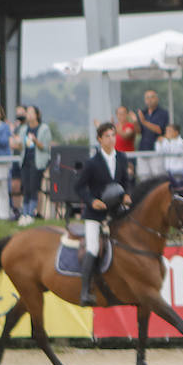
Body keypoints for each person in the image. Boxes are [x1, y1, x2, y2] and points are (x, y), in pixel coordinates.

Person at [73, 121, 132, 306]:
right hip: (96, 214)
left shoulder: (122, 157)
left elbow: (126, 181)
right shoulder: (92, 163)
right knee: (93, 247)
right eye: (107, 136)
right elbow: (79, 187)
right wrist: (92, 201)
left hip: (116, 211)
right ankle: (85, 291)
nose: (111, 139)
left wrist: (127, 194)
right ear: (99, 139)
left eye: (113, 135)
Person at [12, 106, 51, 223]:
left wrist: (35, 140)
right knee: (26, 188)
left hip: (37, 162)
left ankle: (31, 213)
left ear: (37, 115)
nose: (28, 115)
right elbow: (21, 147)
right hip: (25, 161)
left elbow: (45, 147)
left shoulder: (44, 128)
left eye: (31, 112)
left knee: (34, 188)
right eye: (27, 112)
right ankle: (24, 213)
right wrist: (17, 142)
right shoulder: (24, 129)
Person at [156, 122, 183, 203]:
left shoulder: (181, 142)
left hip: (181, 171)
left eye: (170, 131)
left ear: (176, 132)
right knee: (171, 190)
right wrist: (159, 143)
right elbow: (159, 152)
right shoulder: (166, 141)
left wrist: (166, 140)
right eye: (167, 131)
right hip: (169, 171)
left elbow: (176, 152)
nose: (167, 133)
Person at [134, 89, 169, 180]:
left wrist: (144, 122)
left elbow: (159, 130)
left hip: (156, 150)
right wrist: (135, 122)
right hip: (143, 149)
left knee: (158, 177)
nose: (149, 100)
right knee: (144, 178)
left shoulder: (163, 113)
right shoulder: (143, 113)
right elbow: (138, 132)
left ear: (157, 99)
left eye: (152, 97)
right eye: (147, 98)